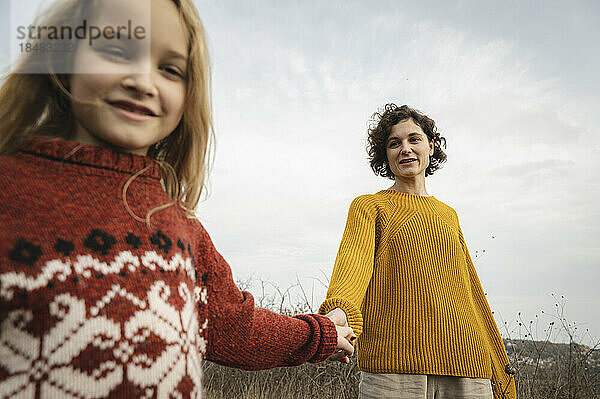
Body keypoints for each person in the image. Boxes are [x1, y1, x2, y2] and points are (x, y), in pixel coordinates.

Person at [0, 0, 354, 397]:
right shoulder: (9, 189)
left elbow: (236, 327)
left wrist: (319, 333)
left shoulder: (179, 225)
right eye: (116, 51)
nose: (143, 81)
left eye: (169, 69)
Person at [320, 104, 516, 399]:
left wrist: (497, 361)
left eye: (414, 139)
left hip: (467, 362)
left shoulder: (448, 214)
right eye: (394, 143)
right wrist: (338, 315)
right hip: (395, 367)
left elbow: (470, 290)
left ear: (431, 146)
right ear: (384, 155)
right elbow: (354, 264)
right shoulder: (370, 206)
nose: (405, 149)